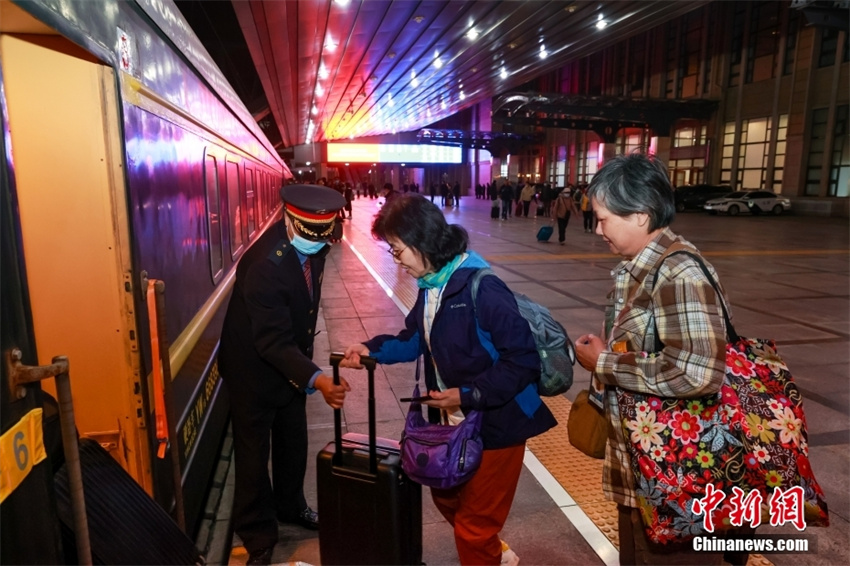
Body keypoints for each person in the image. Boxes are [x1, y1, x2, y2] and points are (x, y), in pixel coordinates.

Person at [339, 194, 556, 566]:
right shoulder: (431, 287)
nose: (397, 260)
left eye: (397, 249)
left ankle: (484, 550)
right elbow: (412, 339)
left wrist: (467, 395)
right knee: (446, 496)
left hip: (496, 424)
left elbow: (522, 361)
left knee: (474, 525)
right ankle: (489, 551)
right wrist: (369, 349)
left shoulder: (482, 288)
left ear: (422, 240)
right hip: (453, 423)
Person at [573, 154, 743, 566]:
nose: (597, 231)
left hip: (677, 479)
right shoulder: (639, 270)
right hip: (646, 470)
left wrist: (604, 364)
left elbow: (697, 372)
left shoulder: (678, 274)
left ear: (641, 216)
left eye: (603, 219)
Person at [218, 184, 352, 566]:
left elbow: (304, 312)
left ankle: (291, 507)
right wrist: (319, 378)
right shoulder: (264, 265)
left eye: (322, 234)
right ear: (289, 220)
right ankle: (258, 533)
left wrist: (306, 370)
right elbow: (271, 342)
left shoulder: (316, 244)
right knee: (252, 456)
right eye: (309, 234)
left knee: (293, 443)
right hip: (253, 372)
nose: (317, 242)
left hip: (291, 365)